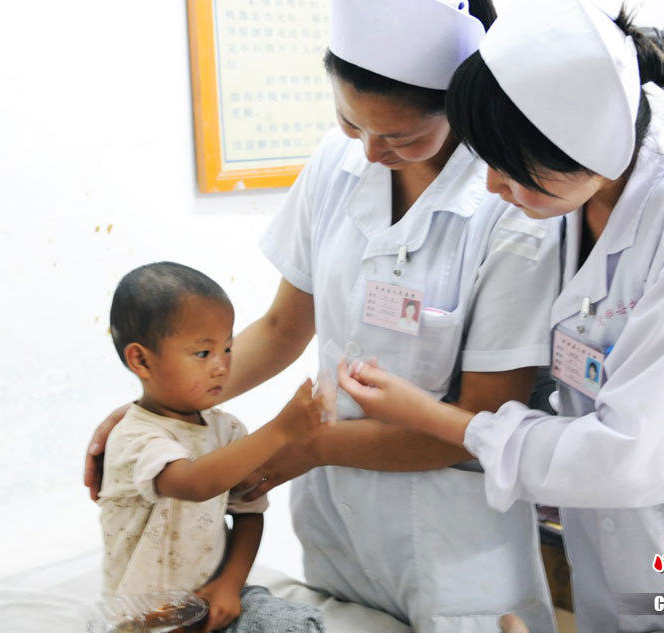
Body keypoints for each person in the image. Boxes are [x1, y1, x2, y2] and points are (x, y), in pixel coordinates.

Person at [336, 1, 664, 632]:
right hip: (622, 556)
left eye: (512, 171)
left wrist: (441, 420)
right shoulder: (571, 205)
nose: (491, 187)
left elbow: (636, 455)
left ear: (588, 152)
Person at [85, 1, 562, 631]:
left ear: (463, 104)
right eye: (349, 120)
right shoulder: (337, 165)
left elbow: (478, 421)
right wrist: (164, 409)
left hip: (453, 530)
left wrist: (303, 443)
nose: (368, 152)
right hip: (340, 518)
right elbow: (284, 327)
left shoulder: (512, 208)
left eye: (399, 136)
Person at [99, 262, 325, 632]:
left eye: (228, 348)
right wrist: (281, 431)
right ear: (141, 359)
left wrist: (230, 586)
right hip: (146, 615)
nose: (222, 366)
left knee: (296, 626)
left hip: (215, 600)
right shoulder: (134, 438)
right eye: (203, 354)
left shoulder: (227, 429)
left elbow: (248, 511)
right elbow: (193, 484)